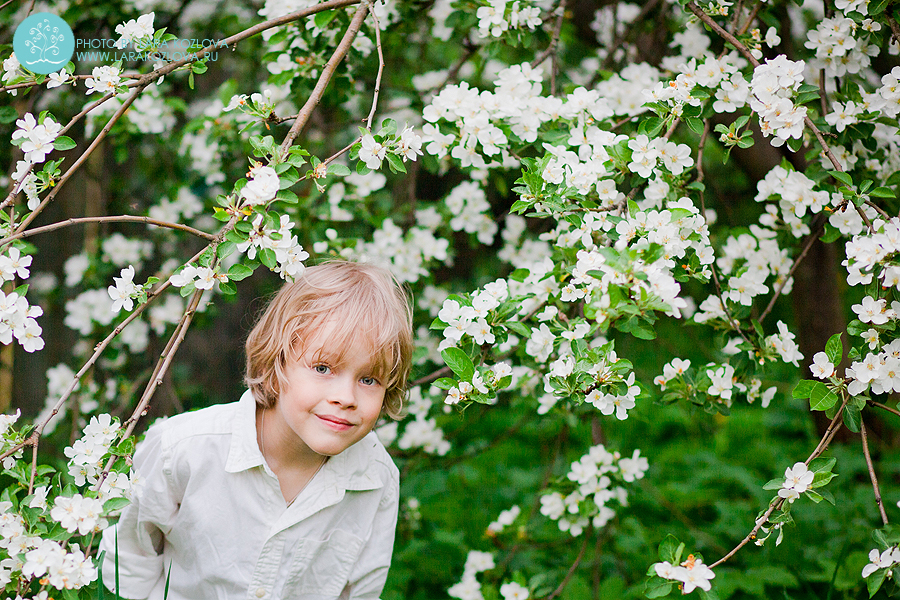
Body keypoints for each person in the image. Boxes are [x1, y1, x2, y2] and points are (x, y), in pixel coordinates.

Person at [99, 260, 413, 600]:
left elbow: (359, 592)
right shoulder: (182, 450)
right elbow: (130, 562)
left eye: (369, 379)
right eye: (323, 367)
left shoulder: (376, 479)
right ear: (277, 364)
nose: (345, 398)